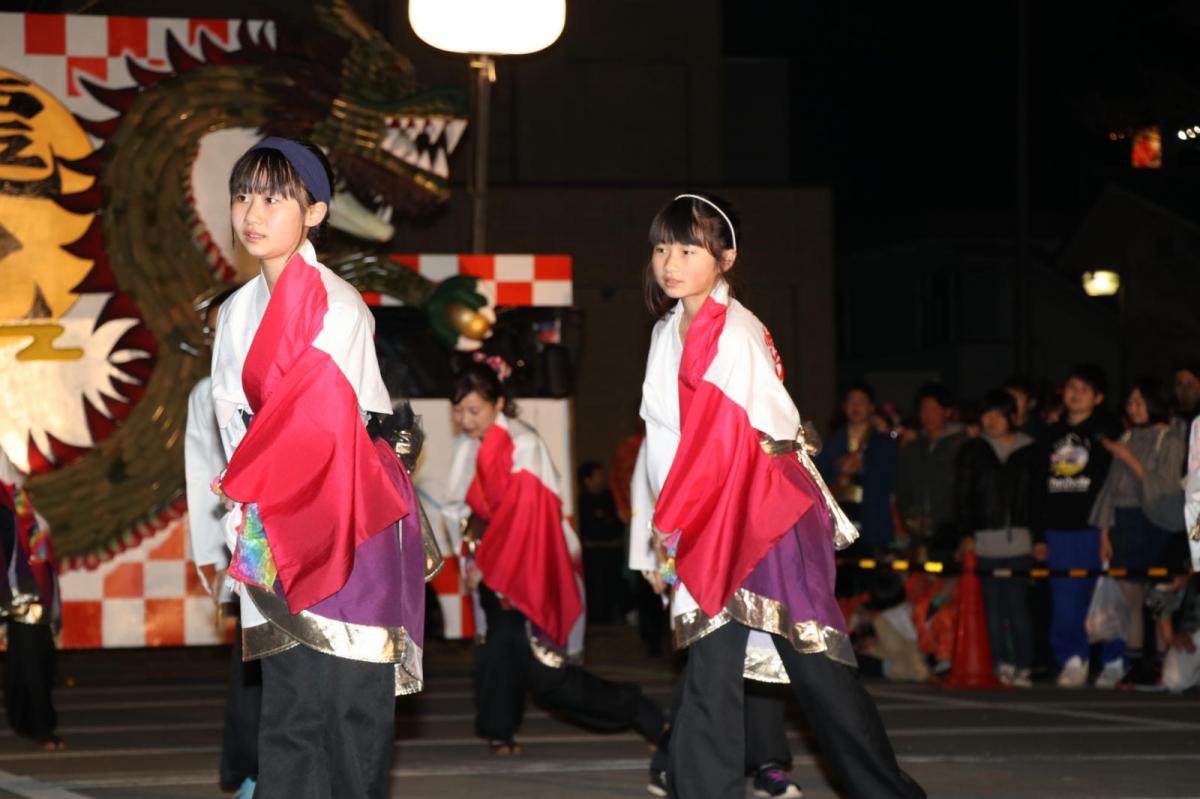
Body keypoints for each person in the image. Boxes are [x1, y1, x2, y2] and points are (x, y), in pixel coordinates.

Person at [632, 193, 923, 799]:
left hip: (765, 512)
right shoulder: (666, 332)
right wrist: (667, 528)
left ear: (726, 257)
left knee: (817, 667)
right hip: (709, 506)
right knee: (710, 665)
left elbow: (725, 438)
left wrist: (674, 521)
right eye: (663, 248)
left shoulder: (736, 332)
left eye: (689, 249)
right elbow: (664, 438)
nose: (670, 262)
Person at [208, 137, 427, 799]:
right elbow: (228, 427)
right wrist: (242, 519)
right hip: (275, 515)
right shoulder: (235, 312)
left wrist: (253, 493)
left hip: (349, 515)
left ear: (316, 212)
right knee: (291, 708)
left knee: (350, 706)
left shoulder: (338, 304)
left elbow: (326, 425)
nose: (253, 210)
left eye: (274, 197)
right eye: (244, 193)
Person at [450, 361, 664, 754]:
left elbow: (528, 518)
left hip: (531, 566)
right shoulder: (469, 445)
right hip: (491, 567)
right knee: (497, 650)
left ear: (499, 403)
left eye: (474, 410)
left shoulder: (523, 443)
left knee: (549, 676)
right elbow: (459, 507)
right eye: (458, 410)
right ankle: (499, 730)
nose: (464, 419)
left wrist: (489, 561)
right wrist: (473, 551)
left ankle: (640, 710)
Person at [184, 287, 260, 798]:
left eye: (226, 325)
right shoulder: (206, 392)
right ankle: (249, 770)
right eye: (213, 330)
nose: (219, 337)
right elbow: (203, 476)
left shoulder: (283, 376)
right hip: (251, 541)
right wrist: (211, 555)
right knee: (254, 659)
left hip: (309, 535)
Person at [1088, 377, 1186, 687]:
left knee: (1157, 597)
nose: (1134, 408)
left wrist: (1130, 459)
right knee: (1129, 595)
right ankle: (1133, 662)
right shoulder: (1128, 436)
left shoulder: (1170, 439)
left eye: (1140, 402)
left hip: (1155, 521)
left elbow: (1166, 490)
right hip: (1124, 520)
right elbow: (1109, 488)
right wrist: (1104, 531)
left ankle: (1158, 663)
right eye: (1131, 402)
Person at [1031, 364, 1122, 689]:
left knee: (1106, 595)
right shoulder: (1050, 435)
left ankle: (1113, 659)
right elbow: (1038, 487)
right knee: (1065, 598)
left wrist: (1109, 529)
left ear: (1098, 397)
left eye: (1084, 389)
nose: (1075, 393)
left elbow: (1114, 486)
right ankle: (1073, 659)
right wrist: (1039, 535)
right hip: (1059, 528)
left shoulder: (1108, 434)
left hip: (1096, 526)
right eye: (1071, 386)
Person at [954, 389, 1037, 687]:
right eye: (985, 415)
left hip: (1020, 542)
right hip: (985, 541)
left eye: (997, 415)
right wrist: (965, 534)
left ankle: (1024, 665)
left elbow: (1038, 498)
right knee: (992, 608)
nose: (990, 421)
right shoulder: (973, 450)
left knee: (1018, 606)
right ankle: (1001, 663)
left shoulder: (1031, 450)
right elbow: (961, 497)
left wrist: (1039, 538)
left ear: (1012, 417)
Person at [0, 449, 62, 751]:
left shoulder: (17, 497)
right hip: (20, 587)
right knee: (31, 656)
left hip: (31, 584)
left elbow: (35, 538)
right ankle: (38, 724)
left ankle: (30, 719)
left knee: (34, 655)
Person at [815, 383, 899, 555]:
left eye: (861, 401)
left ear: (871, 407)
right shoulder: (832, 443)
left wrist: (862, 467)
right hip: (840, 520)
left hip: (872, 519)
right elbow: (819, 482)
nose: (855, 407)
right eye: (851, 402)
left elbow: (891, 480)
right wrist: (840, 470)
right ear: (844, 407)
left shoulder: (884, 443)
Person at [897, 383, 968, 562]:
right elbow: (903, 487)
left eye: (934, 409)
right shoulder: (913, 448)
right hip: (916, 528)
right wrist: (905, 518)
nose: (927, 415)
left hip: (948, 530)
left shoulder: (962, 445)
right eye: (923, 410)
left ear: (947, 412)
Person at [577, 461, 626, 623]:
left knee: (616, 589)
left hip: (613, 551)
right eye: (598, 476)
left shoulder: (610, 497)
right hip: (593, 555)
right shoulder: (581, 503)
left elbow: (618, 523)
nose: (602, 479)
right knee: (596, 591)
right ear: (587, 480)